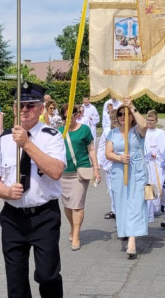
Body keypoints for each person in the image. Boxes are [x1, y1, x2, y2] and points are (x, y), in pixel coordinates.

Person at [0, 84, 66, 298]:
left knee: (46, 275)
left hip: (44, 216)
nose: (25, 111)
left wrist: (27, 144)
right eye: (20, 106)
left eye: (31, 105)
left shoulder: (51, 137)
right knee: (16, 283)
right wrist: (5, 192)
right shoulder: (3, 141)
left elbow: (56, 171)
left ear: (41, 109)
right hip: (13, 219)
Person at [106, 101, 148, 258]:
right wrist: (119, 157)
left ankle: (132, 239)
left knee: (136, 204)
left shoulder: (137, 131)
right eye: (120, 114)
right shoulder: (113, 133)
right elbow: (108, 153)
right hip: (119, 171)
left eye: (126, 114)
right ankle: (126, 231)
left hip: (137, 173)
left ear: (131, 116)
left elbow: (144, 125)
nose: (123, 117)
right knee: (123, 204)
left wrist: (131, 106)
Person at [60, 104, 101, 251]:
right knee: (67, 205)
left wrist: (96, 169)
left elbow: (91, 149)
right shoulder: (59, 132)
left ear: (76, 115)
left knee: (77, 204)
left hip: (80, 171)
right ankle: (72, 227)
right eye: (65, 117)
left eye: (70, 115)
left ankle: (76, 234)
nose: (68, 119)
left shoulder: (84, 129)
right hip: (64, 173)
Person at [98, 98, 121, 219]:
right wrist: (99, 162)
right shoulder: (107, 130)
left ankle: (121, 209)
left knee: (120, 187)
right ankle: (114, 209)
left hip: (121, 162)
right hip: (109, 163)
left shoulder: (123, 128)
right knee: (111, 187)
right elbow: (101, 146)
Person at [143, 110, 165, 221]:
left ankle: (158, 205)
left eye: (152, 120)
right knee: (148, 184)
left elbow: (164, 149)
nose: (150, 122)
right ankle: (150, 208)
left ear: (156, 120)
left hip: (156, 162)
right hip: (146, 162)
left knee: (158, 184)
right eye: (148, 120)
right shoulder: (143, 132)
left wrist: (157, 154)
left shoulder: (161, 133)